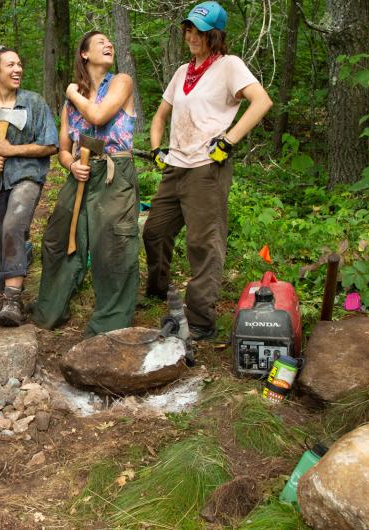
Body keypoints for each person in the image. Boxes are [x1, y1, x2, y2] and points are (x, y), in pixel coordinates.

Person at [142, 1, 273, 340]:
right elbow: (160, 116)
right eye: (188, 29)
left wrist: (229, 141)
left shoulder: (229, 66)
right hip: (176, 166)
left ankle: (200, 319)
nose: (192, 36)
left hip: (207, 168)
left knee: (203, 244)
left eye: (200, 31)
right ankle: (158, 290)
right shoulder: (182, 72)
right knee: (154, 231)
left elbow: (262, 101)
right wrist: (157, 148)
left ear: (215, 34)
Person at [31, 31, 140, 338]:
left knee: (113, 245)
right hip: (80, 171)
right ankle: (50, 311)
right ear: (84, 54)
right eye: (101, 42)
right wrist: (71, 164)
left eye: (111, 42)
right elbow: (64, 148)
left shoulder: (121, 82)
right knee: (58, 238)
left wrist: (71, 93)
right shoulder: (70, 103)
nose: (109, 45)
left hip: (113, 170)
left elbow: (99, 115)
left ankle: (109, 326)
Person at [0, 46, 58, 326]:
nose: (17, 69)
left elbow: (50, 144)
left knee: (12, 226)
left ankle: (14, 299)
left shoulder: (34, 103)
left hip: (26, 177)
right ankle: (7, 295)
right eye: (10, 65)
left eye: (19, 64)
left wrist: (11, 150)